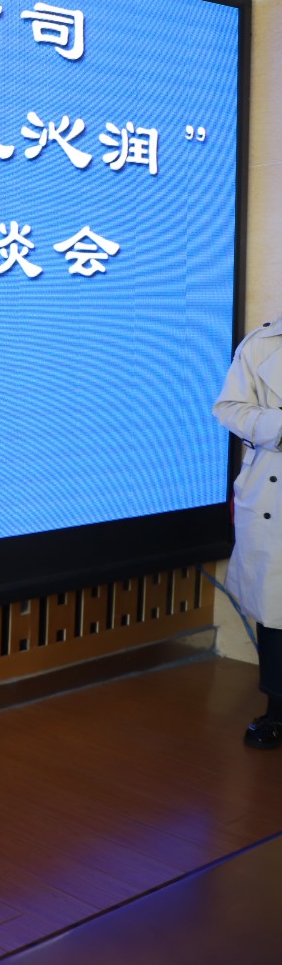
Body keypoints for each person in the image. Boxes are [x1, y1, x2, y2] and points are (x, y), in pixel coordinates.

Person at [214, 321, 282, 749]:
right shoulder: (262, 344)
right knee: (276, 610)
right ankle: (278, 711)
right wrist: (279, 424)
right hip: (275, 493)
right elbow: (228, 408)